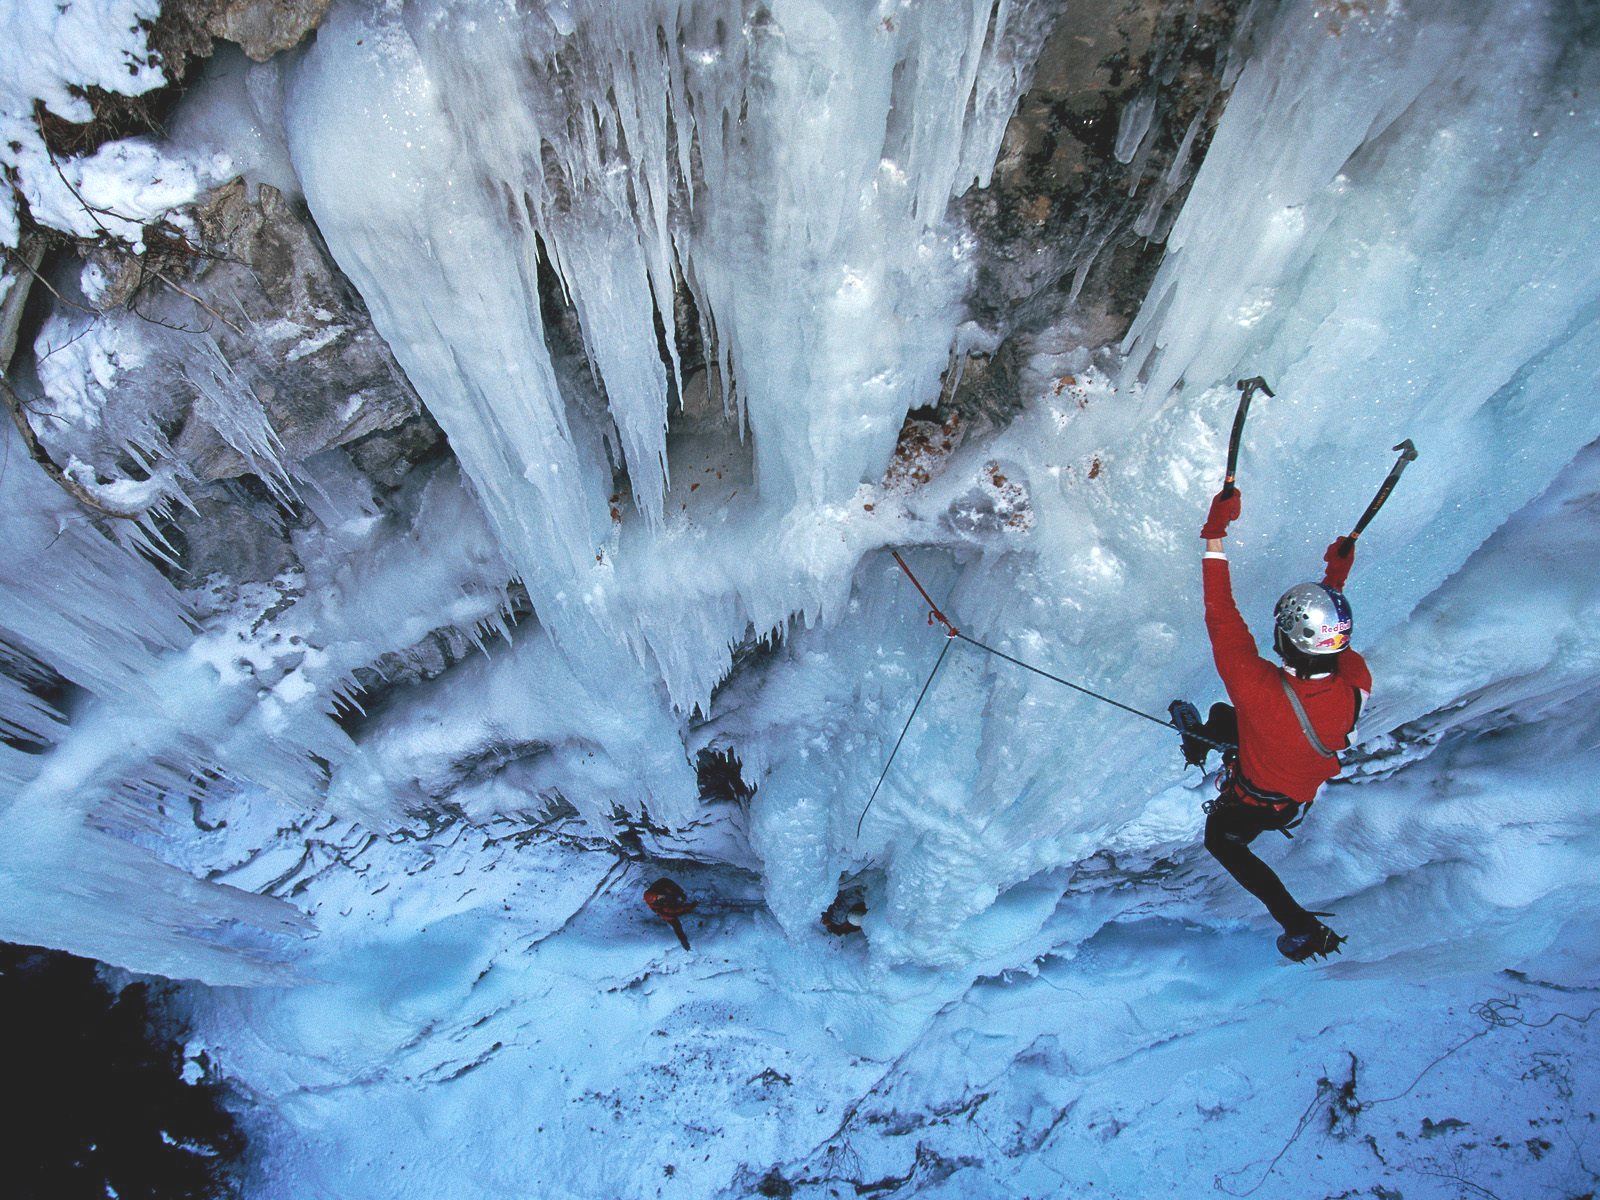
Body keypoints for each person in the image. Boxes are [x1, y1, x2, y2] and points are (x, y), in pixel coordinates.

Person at [1174, 488, 1371, 962]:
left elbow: (1222, 612)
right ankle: (1204, 739)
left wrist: (1214, 533)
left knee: (1220, 839)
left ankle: (1299, 923)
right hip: (1285, 799)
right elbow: (1327, 646)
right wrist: (1333, 584)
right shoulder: (1353, 686)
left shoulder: (1256, 687)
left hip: (1252, 795)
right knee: (1228, 718)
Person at [643, 877, 696, 951]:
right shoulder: (661, 908)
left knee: (671, 895)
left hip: (669, 900)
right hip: (669, 915)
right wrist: (689, 907)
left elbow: (665, 881)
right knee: (677, 926)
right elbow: (675, 912)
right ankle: (685, 944)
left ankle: (679, 900)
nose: (660, 896)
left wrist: (680, 892)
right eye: (658, 897)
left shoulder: (655, 888)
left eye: (658, 895)